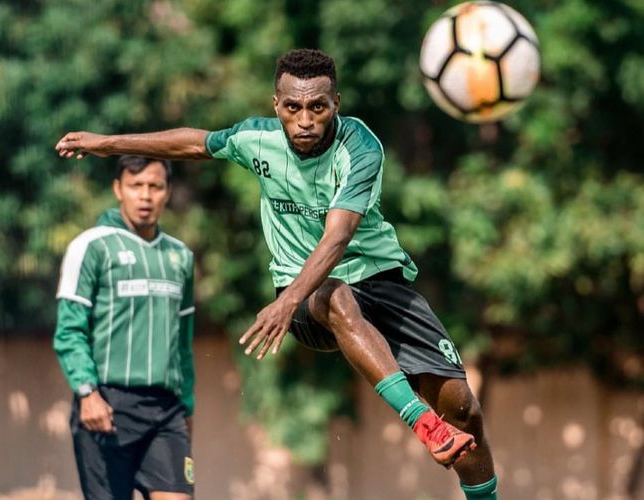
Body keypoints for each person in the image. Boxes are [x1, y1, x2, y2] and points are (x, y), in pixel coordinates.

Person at [55, 49, 499, 499]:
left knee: (464, 410)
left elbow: (337, 238)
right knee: (334, 296)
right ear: (276, 106)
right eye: (292, 107)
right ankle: (423, 424)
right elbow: (193, 143)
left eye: (317, 107)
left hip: (378, 281)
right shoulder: (256, 140)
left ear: (336, 104)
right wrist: (107, 142)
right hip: (309, 295)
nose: (305, 120)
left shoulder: (361, 148)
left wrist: (283, 306)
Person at [53, 155, 196, 500]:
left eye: (155, 186)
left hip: (166, 410)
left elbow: (183, 344)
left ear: (167, 191)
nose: (145, 196)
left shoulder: (181, 257)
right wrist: (87, 393)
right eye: (136, 185)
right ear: (118, 189)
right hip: (107, 405)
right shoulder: (90, 247)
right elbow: (69, 331)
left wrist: (188, 406)